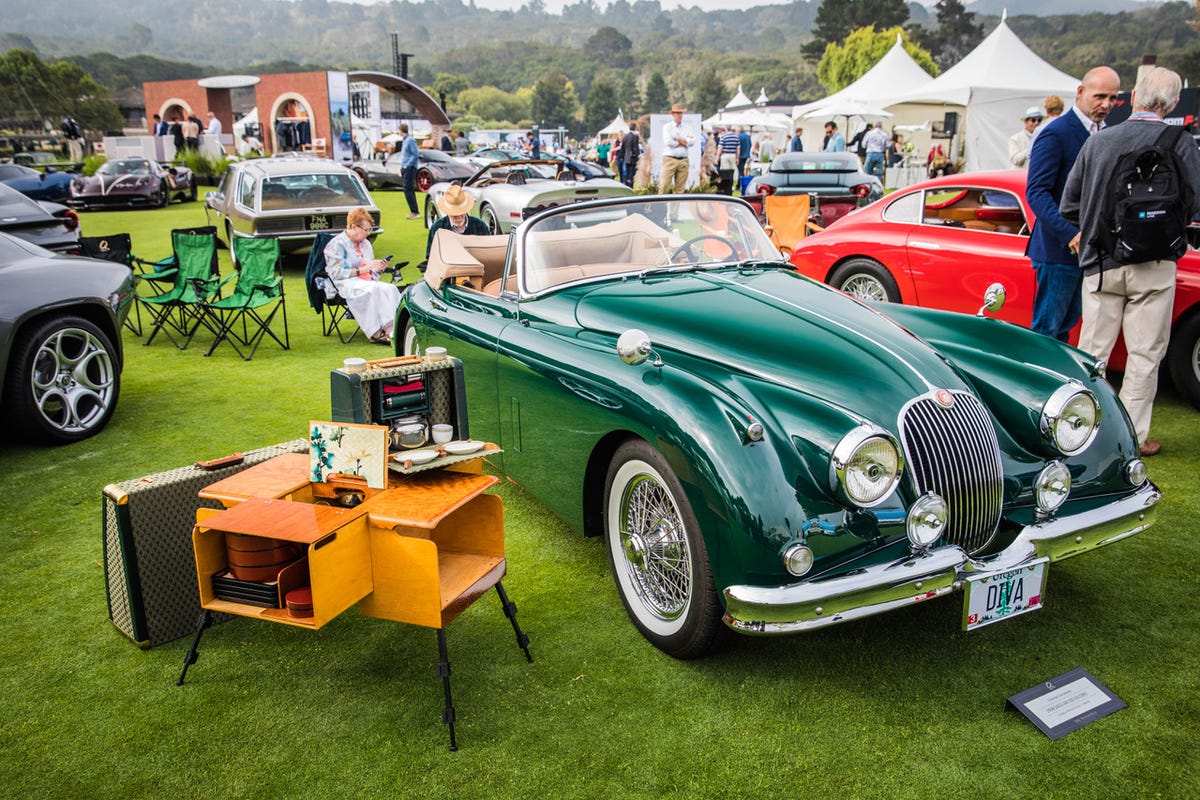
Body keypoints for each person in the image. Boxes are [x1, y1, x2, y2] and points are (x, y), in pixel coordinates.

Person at [1061, 67, 1200, 457]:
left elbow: (1069, 203)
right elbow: (1194, 203)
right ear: (1173, 103)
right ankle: (1133, 439)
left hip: (1103, 263)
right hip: (1155, 264)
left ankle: (1080, 432)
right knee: (1144, 355)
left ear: (1134, 95)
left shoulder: (1101, 141)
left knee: (1092, 354)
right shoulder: (1181, 142)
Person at [1026, 66, 1121, 343]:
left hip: (1093, 251)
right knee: (1047, 330)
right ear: (1081, 92)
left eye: (1113, 98)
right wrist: (1070, 234)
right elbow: (1037, 192)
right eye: (1100, 96)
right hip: (1058, 251)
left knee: (1068, 325)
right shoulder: (1055, 133)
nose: (1106, 104)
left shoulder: (1109, 133)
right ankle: (1040, 384)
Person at [323, 208, 401, 344]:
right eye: (365, 230)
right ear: (353, 226)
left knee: (389, 289)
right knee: (374, 290)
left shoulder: (366, 244)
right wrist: (362, 269)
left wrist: (378, 268)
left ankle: (394, 327)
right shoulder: (337, 244)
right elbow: (335, 273)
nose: (367, 233)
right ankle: (379, 331)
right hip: (343, 283)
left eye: (369, 230)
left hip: (366, 281)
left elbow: (370, 271)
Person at [424, 183, 491, 261]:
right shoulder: (437, 228)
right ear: (447, 212)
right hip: (448, 270)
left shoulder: (480, 226)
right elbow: (430, 256)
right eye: (454, 213)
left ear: (466, 209)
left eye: (461, 212)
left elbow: (488, 253)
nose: (458, 216)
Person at [659, 102, 695, 194]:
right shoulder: (667, 127)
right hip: (670, 159)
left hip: (683, 159)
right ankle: (660, 207)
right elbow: (668, 142)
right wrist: (684, 142)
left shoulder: (687, 127)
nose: (679, 115)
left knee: (680, 190)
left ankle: (674, 209)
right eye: (677, 113)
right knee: (664, 185)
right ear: (673, 114)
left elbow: (692, 142)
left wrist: (678, 140)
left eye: (681, 113)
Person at [394, 123, 420, 220]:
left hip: (410, 167)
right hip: (406, 167)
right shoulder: (405, 141)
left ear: (401, 130)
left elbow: (415, 154)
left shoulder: (410, 140)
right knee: (408, 189)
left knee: (407, 189)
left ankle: (415, 211)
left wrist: (406, 166)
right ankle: (414, 210)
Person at [716, 126, 740, 196]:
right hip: (733, 155)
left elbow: (720, 148)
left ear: (726, 129)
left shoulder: (724, 137)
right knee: (733, 171)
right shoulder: (736, 137)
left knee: (725, 172)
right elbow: (738, 149)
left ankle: (726, 186)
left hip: (725, 155)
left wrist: (717, 157)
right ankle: (732, 186)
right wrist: (737, 158)